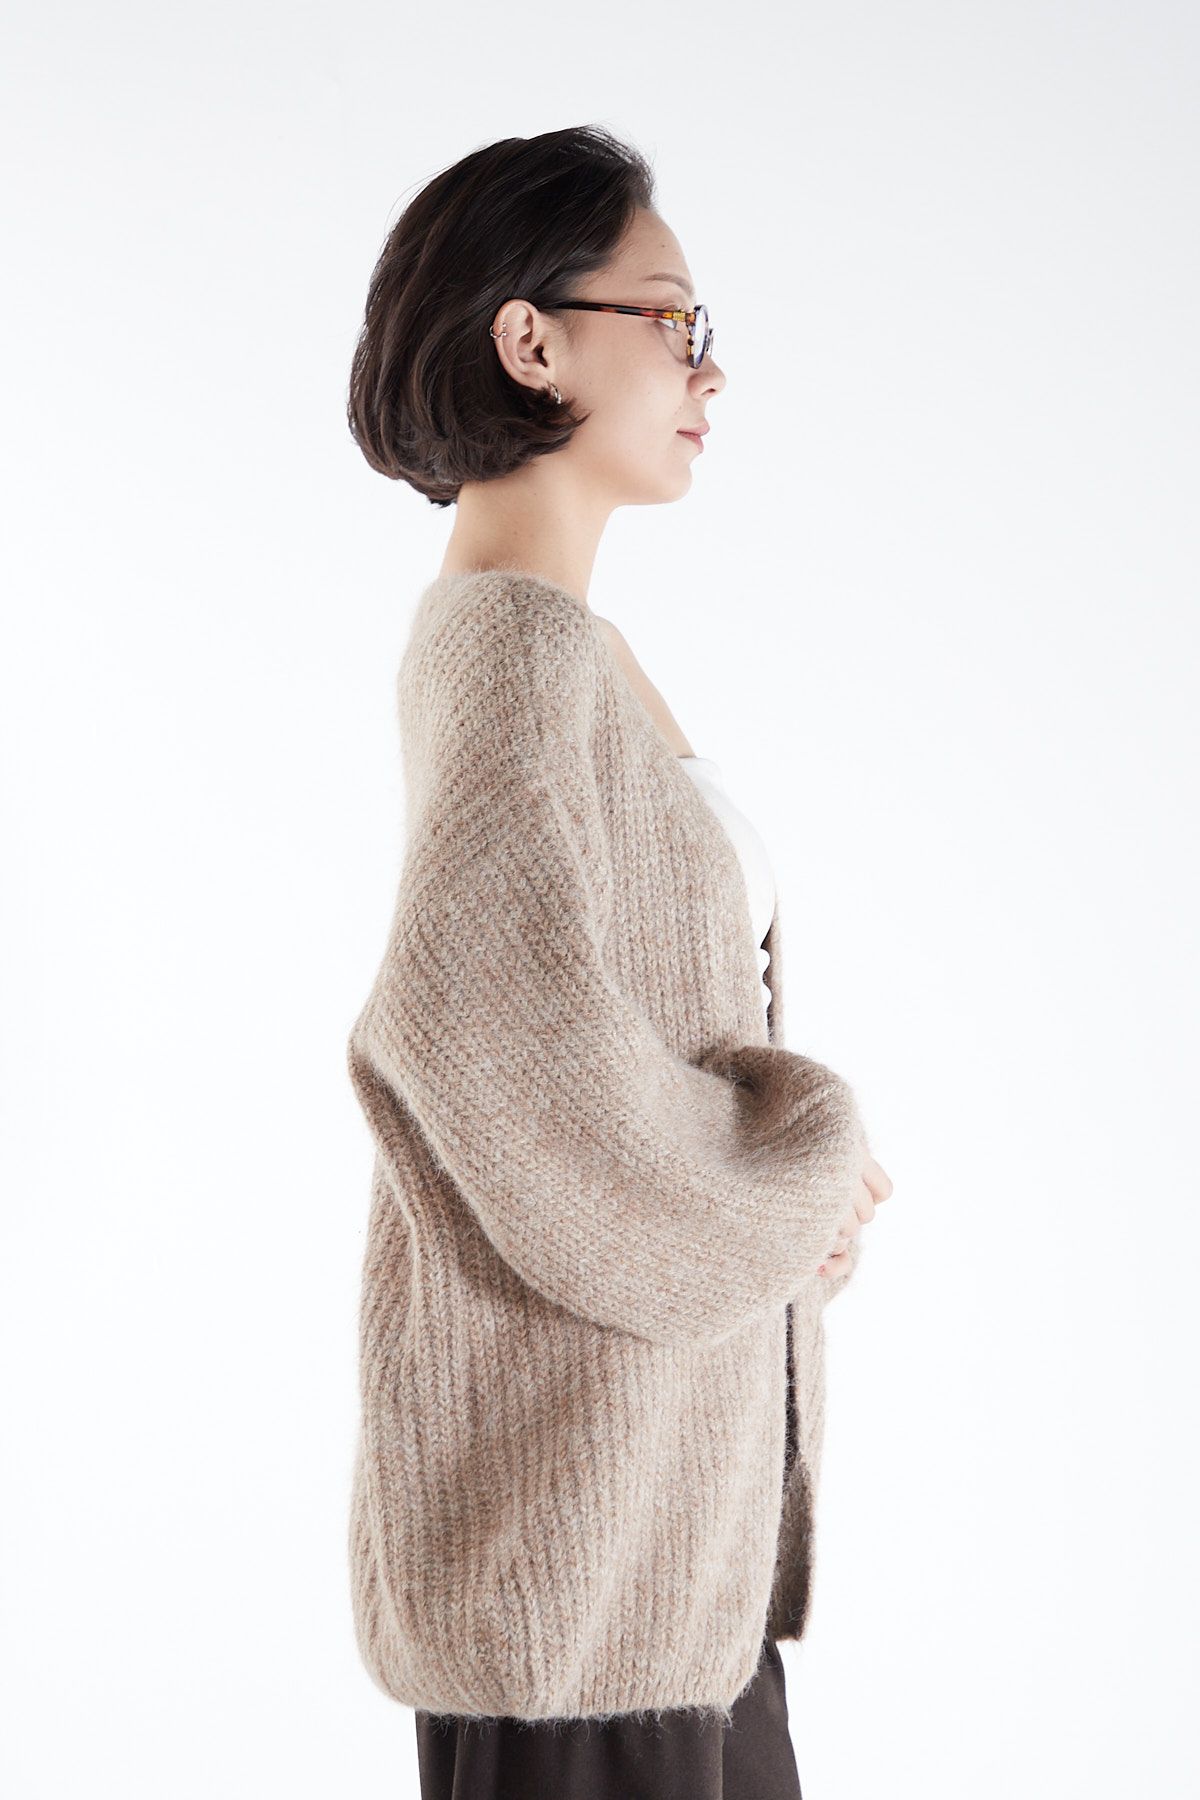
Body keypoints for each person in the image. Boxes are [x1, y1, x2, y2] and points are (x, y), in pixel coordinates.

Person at [344, 123, 893, 1800]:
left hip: (661, 1542)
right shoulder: (509, 653)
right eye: (674, 318)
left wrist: (782, 1209)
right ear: (534, 340)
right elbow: (487, 1050)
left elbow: (624, 1044)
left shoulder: (571, 649)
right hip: (580, 1566)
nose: (708, 369)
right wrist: (797, 1173)